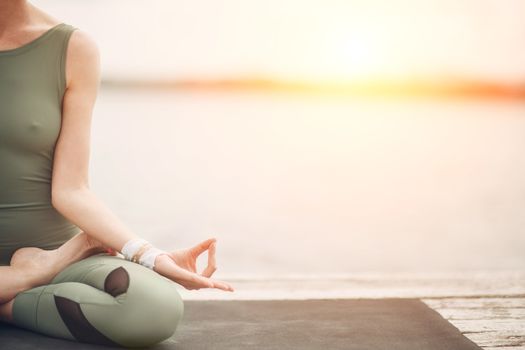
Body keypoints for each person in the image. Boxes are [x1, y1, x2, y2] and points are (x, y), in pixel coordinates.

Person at [0, 1, 234, 347]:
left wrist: (150, 255)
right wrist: (30, 275)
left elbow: (72, 188)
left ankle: (19, 291)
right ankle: (27, 278)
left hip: (54, 251)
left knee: (152, 308)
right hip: (42, 268)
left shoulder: (70, 48)